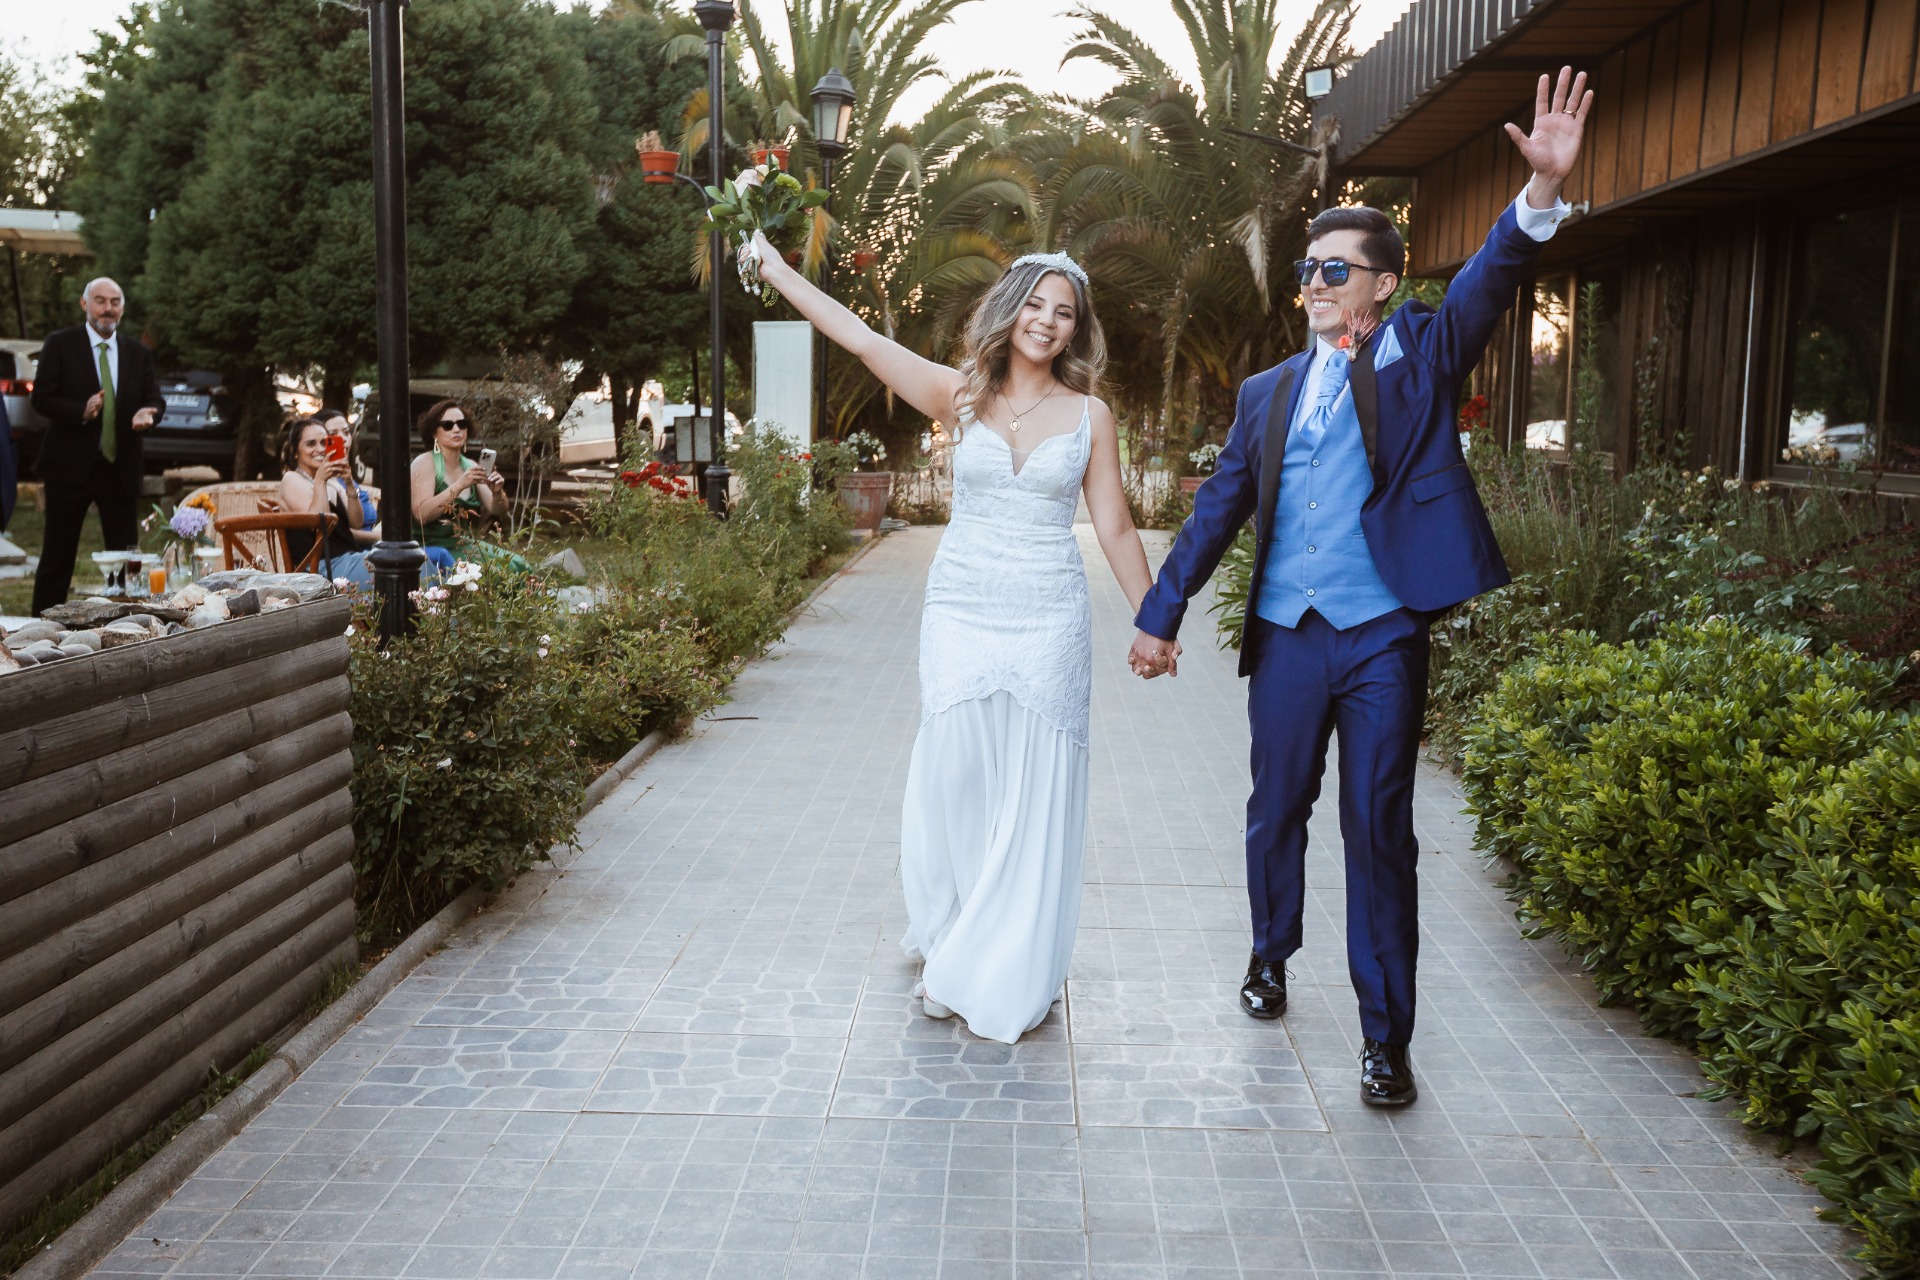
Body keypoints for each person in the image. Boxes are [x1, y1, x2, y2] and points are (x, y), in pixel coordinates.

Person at [1127, 68, 1593, 1106]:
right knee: (1275, 810)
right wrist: (1161, 615)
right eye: (1308, 268)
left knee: (1378, 828)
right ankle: (1269, 952)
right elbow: (1218, 510)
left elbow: (1486, 283)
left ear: (1381, 285)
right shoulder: (1267, 391)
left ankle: (1387, 1040)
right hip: (1290, 634)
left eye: (1336, 269)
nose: (1316, 282)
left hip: (1380, 633)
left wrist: (1540, 194)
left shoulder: (1418, 352)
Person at [751, 227, 1160, 1044]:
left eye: (1065, 313)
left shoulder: (1091, 417)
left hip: (1048, 616)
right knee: (959, 777)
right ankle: (960, 932)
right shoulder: (960, 396)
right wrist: (776, 272)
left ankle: (1006, 961)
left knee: (1035, 786)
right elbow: (862, 340)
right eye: (1035, 305)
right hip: (962, 611)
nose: (1047, 321)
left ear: (1077, 330)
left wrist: (1155, 620)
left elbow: (1114, 525)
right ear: (1010, 311)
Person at [29, 278, 166, 616]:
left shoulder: (137, 353)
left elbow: (154, 399)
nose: (108, 308)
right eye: (100, 301)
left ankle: (124, 624)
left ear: (122, 308)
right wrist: (80, 410)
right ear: (84, 304)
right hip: (69, 466)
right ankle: (40, 627)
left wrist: (150, 413)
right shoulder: (60, 344)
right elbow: (41, 398)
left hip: (120, 467)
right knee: (57, 555)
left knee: (125, 558)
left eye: (115, 302)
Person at [409, 399, 518, 568]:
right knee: (503, 569)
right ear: (434, 433)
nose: (456, 429)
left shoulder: (470, 465)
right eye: (447, 425)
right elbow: (422, 515)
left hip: (463, 545)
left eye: (462, 424)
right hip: (433, 548)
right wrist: (460, 485)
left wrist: (497, 492)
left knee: (518, 564)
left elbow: (498, 509)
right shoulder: (425, 463)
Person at [278, 415, 369, 585]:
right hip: (319, 569)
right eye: (311, 444)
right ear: (296, 452)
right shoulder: (292, 479)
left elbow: (356, 523)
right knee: (397, 563)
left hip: (348, 559)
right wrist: (320, 481)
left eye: (324, 443)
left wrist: (349, 484)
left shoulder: (333, 482)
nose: (320, 449)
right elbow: (318, 525)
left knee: (407, 557)